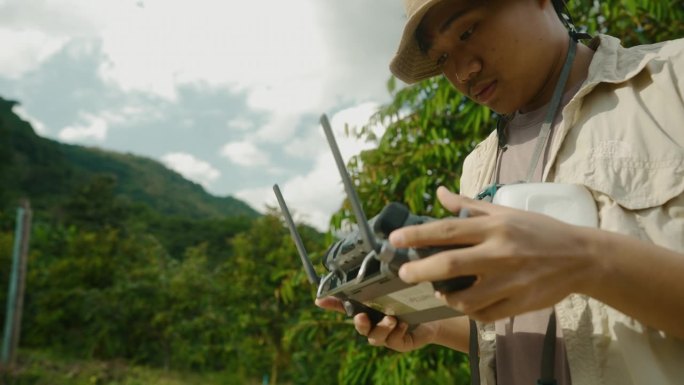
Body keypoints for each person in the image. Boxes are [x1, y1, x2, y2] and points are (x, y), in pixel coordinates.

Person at [316, 0, 684, 384]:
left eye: (467, 32)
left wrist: (588, 261)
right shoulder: (478, 167)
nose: (463, 71)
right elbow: (515, 333)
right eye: (442, 58)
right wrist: (433, 326)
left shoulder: (671, 82)